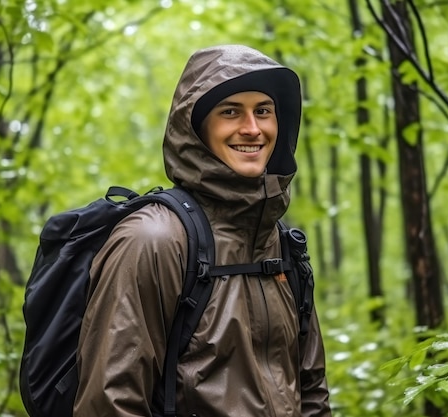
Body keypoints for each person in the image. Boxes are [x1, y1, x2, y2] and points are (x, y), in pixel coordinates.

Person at [74, 44, 331, 417]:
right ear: (196, 129)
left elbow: (311, 391)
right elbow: (110, 404)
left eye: (263, 111)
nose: (252, 128)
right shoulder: (154, 240)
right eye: (231, 112)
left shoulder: (279, 245)